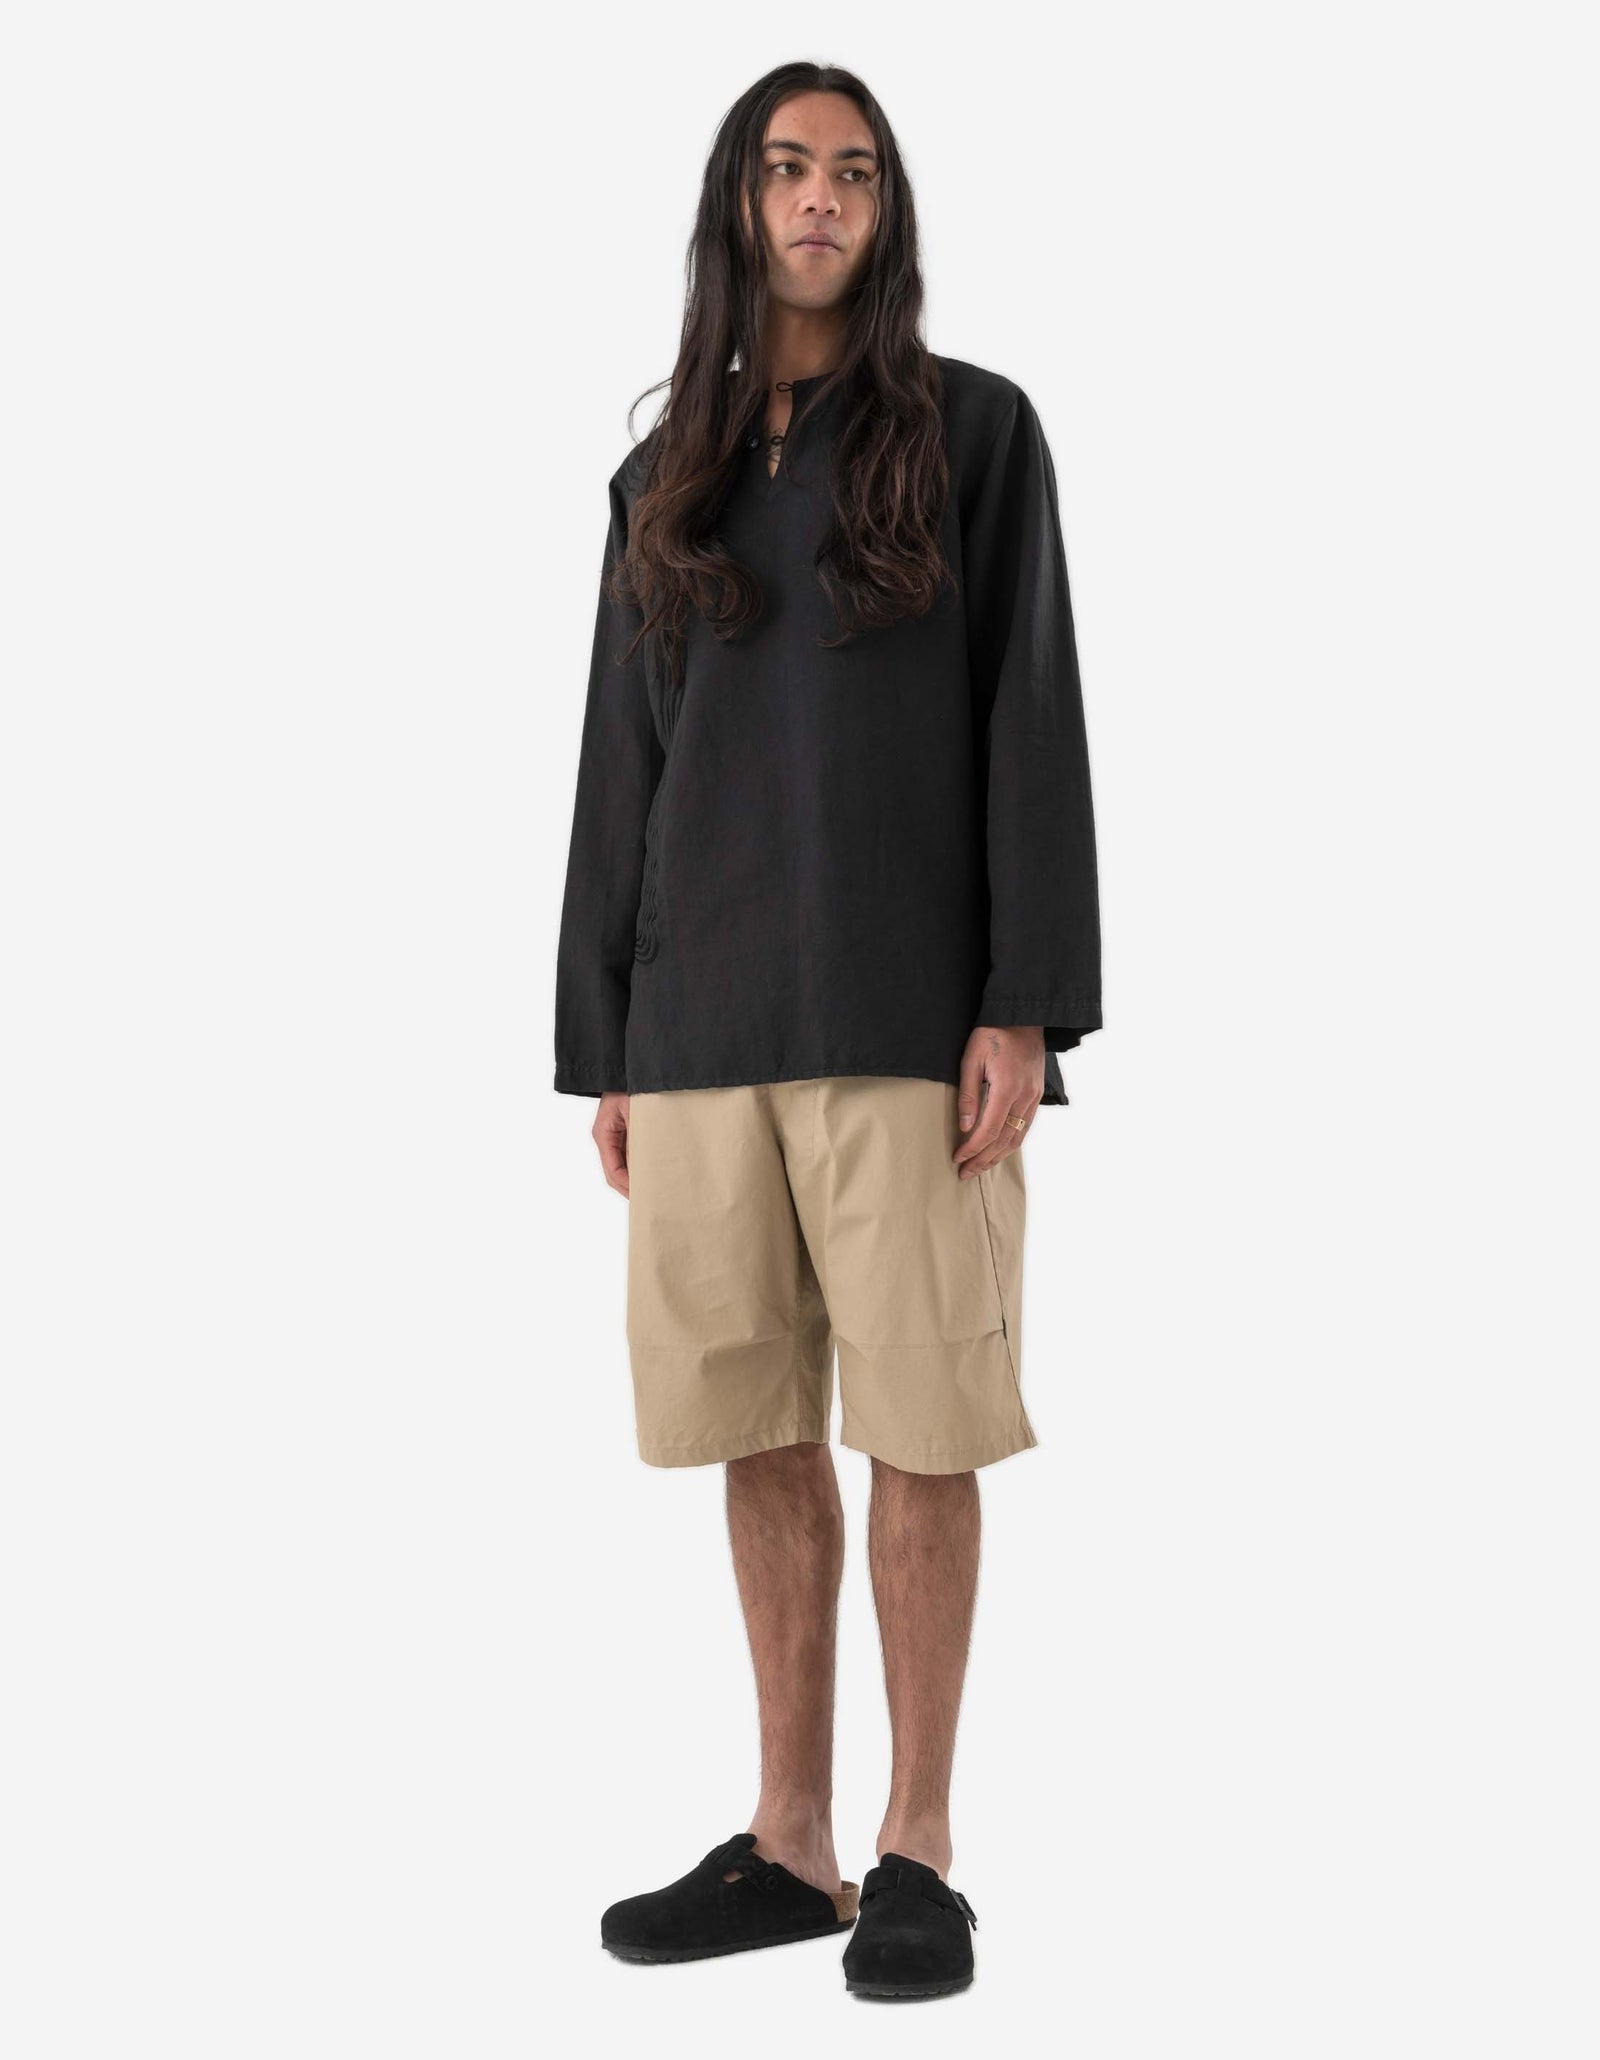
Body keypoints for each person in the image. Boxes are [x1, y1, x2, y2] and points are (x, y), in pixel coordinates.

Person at [554, 60, 1101, 2000]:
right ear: (739, 203)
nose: (817, 200)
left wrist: (1022, 1000)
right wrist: (608, 1042)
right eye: (787, 169)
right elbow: (622, 762)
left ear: (883, 209)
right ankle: (790, 1841)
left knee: (922, 1424)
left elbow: (1030, 715)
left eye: (851, 173)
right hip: (700, 1021)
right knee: (758, 1424)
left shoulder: (974, 434)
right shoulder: (664, 473)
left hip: (903, 1018)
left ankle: (914, 1845)